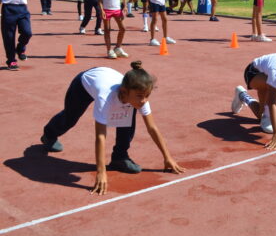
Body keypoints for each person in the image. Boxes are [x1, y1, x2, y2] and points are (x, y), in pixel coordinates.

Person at [40, 61, 185, 195]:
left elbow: (152, 127)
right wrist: (101, 172)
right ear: (124, 90)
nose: (144, 100)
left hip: (113, 85)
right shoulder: (106, 98)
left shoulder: (139, 96)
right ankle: (49, 134)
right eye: (140, 96)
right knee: (70, 118)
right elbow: (100, 136)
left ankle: (120, 157)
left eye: (147, 96)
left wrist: (168, 158)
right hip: (84, 83)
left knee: (128, 117)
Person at [0, 0, 32, 70]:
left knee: (27, 32)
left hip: (22, 9)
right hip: (8, 9)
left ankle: (20, 47)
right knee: (9, 36)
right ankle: (11, 60)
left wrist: (25, 4)